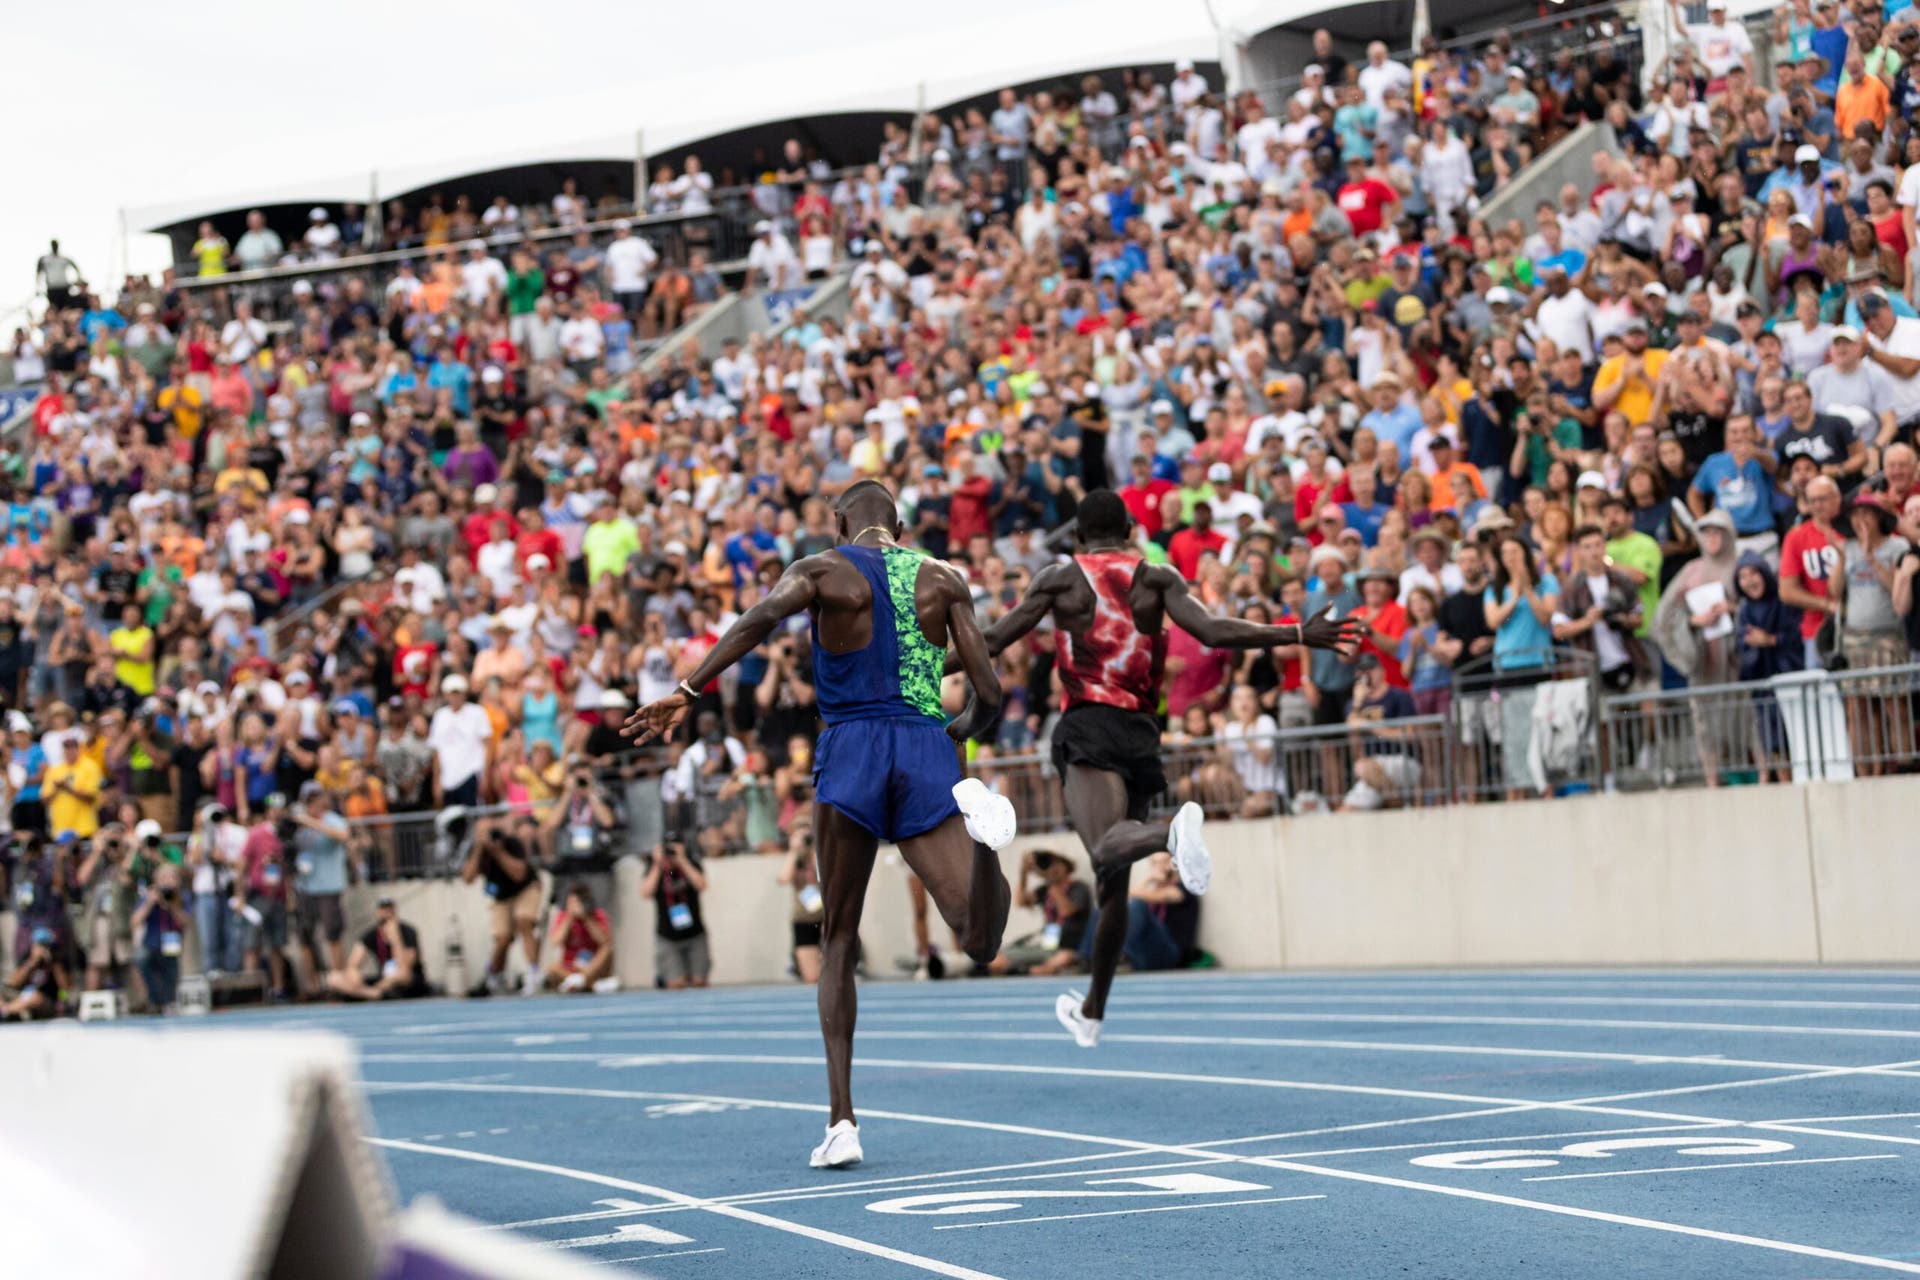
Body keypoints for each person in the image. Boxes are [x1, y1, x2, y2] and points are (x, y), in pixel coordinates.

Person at [625, 479, 1015, 1170]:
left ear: (840, 522)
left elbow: (755, 620)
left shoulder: (822, 568)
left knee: (837, 935)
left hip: (854, 749)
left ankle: (842, 1121)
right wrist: (954, 734)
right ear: (898, 522)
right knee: (979, 939)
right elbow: (989, 692)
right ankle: (987, 844)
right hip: (926, 747)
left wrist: (687, 690)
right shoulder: (945, 578)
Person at [961, 489, 1359, 1048]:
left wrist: (923, 668)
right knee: (1113, 884)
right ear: (1129, 529)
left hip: (1089, 727)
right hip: (1141, 735)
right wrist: (1296, 634)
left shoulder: (1060, 578)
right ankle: (1094, 1010)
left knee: (1103, 848)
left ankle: (1169, 833)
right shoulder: (1158, 577)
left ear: (1076, 537)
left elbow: (997, 638)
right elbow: (1216, 631)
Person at [461, 822, 545, 996]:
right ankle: (495, 974)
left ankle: (533, 972)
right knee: (502, 938)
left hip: (525, 888)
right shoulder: (476, 850)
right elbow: (468, 878)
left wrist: (497, 851)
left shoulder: (510, 843)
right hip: (500, 896)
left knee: (524, 921)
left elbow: (519, 874)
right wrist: (479, 850)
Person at [325, 895, 431, 1000]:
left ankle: (372, 993)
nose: (387, 913)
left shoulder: (408, 931)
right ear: (378, 912)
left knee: (402, 974)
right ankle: (375, 994)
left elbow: (405, 967)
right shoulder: (373, 934)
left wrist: (396, 940)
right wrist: (354, 974)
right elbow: (353, 963)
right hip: (383, 980)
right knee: (334, 978)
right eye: (383, 910)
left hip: (405, 981)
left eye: (390, 909)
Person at [640, 840, 708, 989]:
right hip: (667, 936)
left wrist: (682, 860)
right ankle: (663, 976)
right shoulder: (655, 869)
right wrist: (658, 864)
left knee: (699, 982)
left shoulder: (690, 864)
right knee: (676, 983)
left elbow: (702, 885)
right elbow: (645, 893)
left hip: (694, 933)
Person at [544, 882, 617, 993]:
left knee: (608, 949)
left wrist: (587, 918)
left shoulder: (598, 915)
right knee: (552, 968)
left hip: (593, 966)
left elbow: (605, 942)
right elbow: (555, 942)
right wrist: (569, 918)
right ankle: (589, 985)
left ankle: (579, 982)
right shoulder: (563, 916)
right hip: (572, 967)